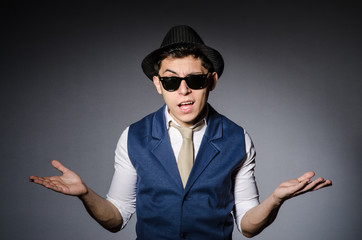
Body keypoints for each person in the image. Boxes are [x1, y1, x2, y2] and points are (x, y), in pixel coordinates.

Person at [29, 25, 332, 239]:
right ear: (158, 84)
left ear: (211, 81)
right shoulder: (133, 136)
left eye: (195, 80)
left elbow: (248, 226)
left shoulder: (237, 138)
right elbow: (117, 218)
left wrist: (275, 199)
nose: (183, 90)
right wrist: (85, 195)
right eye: (171, 81)